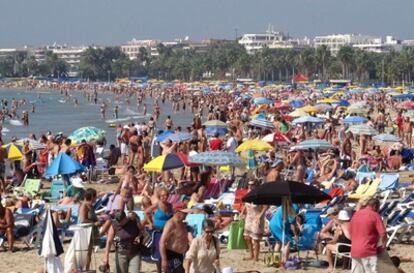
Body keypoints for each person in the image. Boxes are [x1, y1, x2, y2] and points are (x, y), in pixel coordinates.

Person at [350, 198, 387, 273]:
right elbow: (383, 234)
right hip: (368, 249)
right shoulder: (375, 215)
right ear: (375, 206)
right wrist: (384, 245)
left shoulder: (356, 214)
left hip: (355, 249)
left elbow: (350, 231)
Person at [241, 180, 267, 261]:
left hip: (257, 217)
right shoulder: (248, 193)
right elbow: (246, 203)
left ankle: (256, 257)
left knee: (256, 239)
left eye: (252, 185)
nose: (249, 186)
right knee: (247, 237)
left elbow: (266, 206)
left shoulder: (260, 194)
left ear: (256, 185)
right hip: (249, 217)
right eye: (248, 184)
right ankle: (251, 255)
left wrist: (260, 216)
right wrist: (242, 212)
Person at [160, 208, 191, 273]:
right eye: (185, 213)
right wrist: (164, 260)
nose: (186, 215)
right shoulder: (171, 224)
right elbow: (161, 242)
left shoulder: (182, 223)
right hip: (171, 255)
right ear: (178, 212)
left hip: (180, 255)